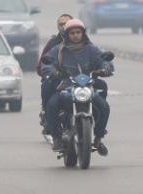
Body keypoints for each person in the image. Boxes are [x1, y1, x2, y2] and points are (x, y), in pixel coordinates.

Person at [41, 19, 113, 156]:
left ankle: (98, 138)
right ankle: (56, 137)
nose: (75, 35)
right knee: (51, 105)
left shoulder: (91, 49)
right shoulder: (58, 50)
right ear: (67, 34)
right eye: (72, 33)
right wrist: (53, 72)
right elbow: (47, 63)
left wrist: (105, 68)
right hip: (65, 87)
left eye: (78, 32)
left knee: (104, 106)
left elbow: (103, 60)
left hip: (87, 87)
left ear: (83, 33)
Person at [37, 14, 72, 130]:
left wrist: (102, 69)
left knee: (101, 87)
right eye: (60, 24)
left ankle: (97, 123)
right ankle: (48, 117)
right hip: (58, 79)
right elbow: (42, 65)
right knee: (47, 85)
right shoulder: (53, 44)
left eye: (66, 24)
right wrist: (53, 72)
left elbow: (96, 59)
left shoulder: (85, 43)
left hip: (79, 80)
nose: (63, 27)